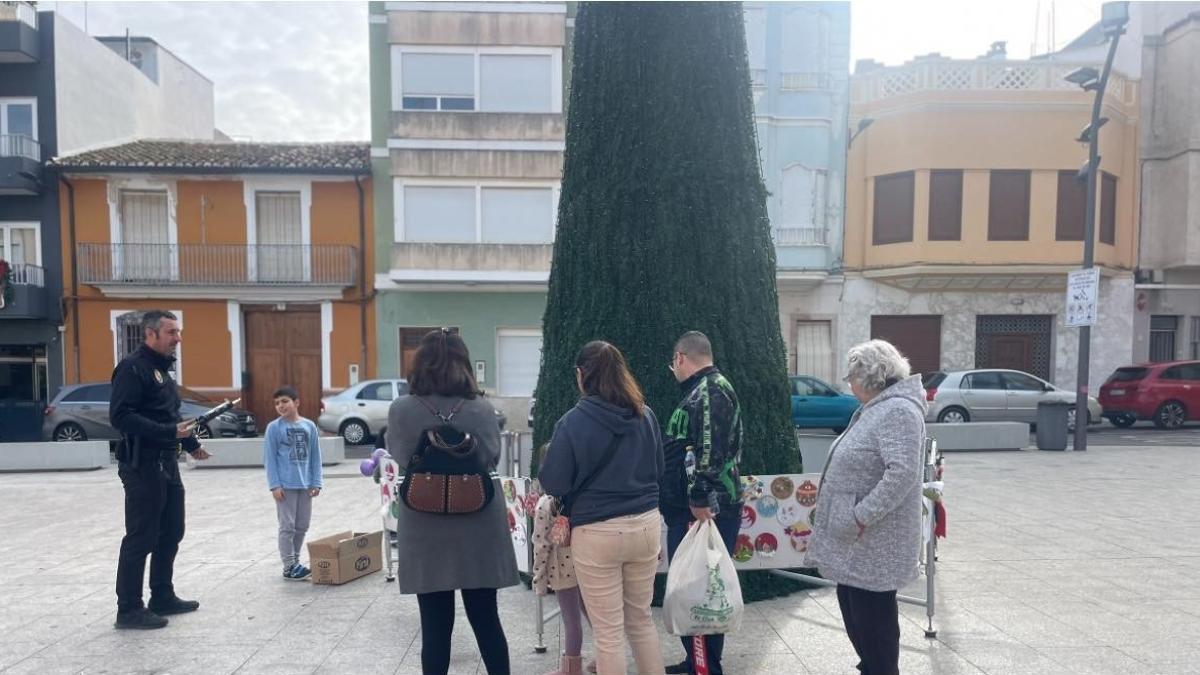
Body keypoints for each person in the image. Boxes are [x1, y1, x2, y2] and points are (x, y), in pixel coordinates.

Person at [386, 329, 518, 675]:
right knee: (487, 619)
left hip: (425, 522)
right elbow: (490, 456)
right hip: (478, 520)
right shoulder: (482, 408)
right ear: (464, 363)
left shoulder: (401, 409)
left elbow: (400, 456)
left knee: (434, 627)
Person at [540, 341, 665, 675]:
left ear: (582, 375)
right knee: (641, 620)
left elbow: (554, 482)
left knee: (608, 631)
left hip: (596, 531)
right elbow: (659, 469)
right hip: (646, 525)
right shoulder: (645, 414)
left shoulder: (572, 422)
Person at [805, 339, 926, 675]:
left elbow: (902, 472)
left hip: (874, 543)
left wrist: (860, 516)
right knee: (858, 618)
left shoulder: (898, 411)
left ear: (869, 376)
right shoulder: (881, 407)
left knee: (874, 624)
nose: (849, 382)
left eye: (851, 375)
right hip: (859, 543)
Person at [110, 310, 211, 630]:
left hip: (168, 461)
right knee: (141, 537)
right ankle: (128, 609)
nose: (177, 338)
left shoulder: (163, 372)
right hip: (142, 463)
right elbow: (120, 417)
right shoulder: (132, 368)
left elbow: (171, 416)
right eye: (171, 333)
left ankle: (162, 595)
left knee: (172, 531)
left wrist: (191, 443)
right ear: (150, 335)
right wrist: (171, 433)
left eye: (178, 332)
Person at [660, 331, 742, 675]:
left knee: (701, 587)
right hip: (697, 507)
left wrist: (697, 496)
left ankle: (705, 666)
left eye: (672, 364)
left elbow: (710, 449)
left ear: (681, 358)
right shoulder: (705, 390)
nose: (673, 370)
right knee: (697, 587)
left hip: (705, 508)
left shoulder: (710, 390)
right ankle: (699, 661)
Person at [531, 444, 594, 675]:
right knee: (593, 614)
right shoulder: (581, 497)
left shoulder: (545, 503)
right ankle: (604, 657)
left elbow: (541, 545)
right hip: (587, 564)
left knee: (571, 621)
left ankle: (571, 668)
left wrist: (538, 580)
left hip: (561, 569)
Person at [263, 385, 323, 581]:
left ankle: (295, 562)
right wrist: (275, 485)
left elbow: (315, 456)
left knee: (302, 525)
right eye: (277, 403)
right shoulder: (274, 428)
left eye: (285, 401)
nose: (280, 406)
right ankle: (289, 566)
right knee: (287, 526)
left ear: (296, 403)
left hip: (305, 485)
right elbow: (270, 458)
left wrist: (316, 481)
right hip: (285, 486)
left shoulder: (309, 426)